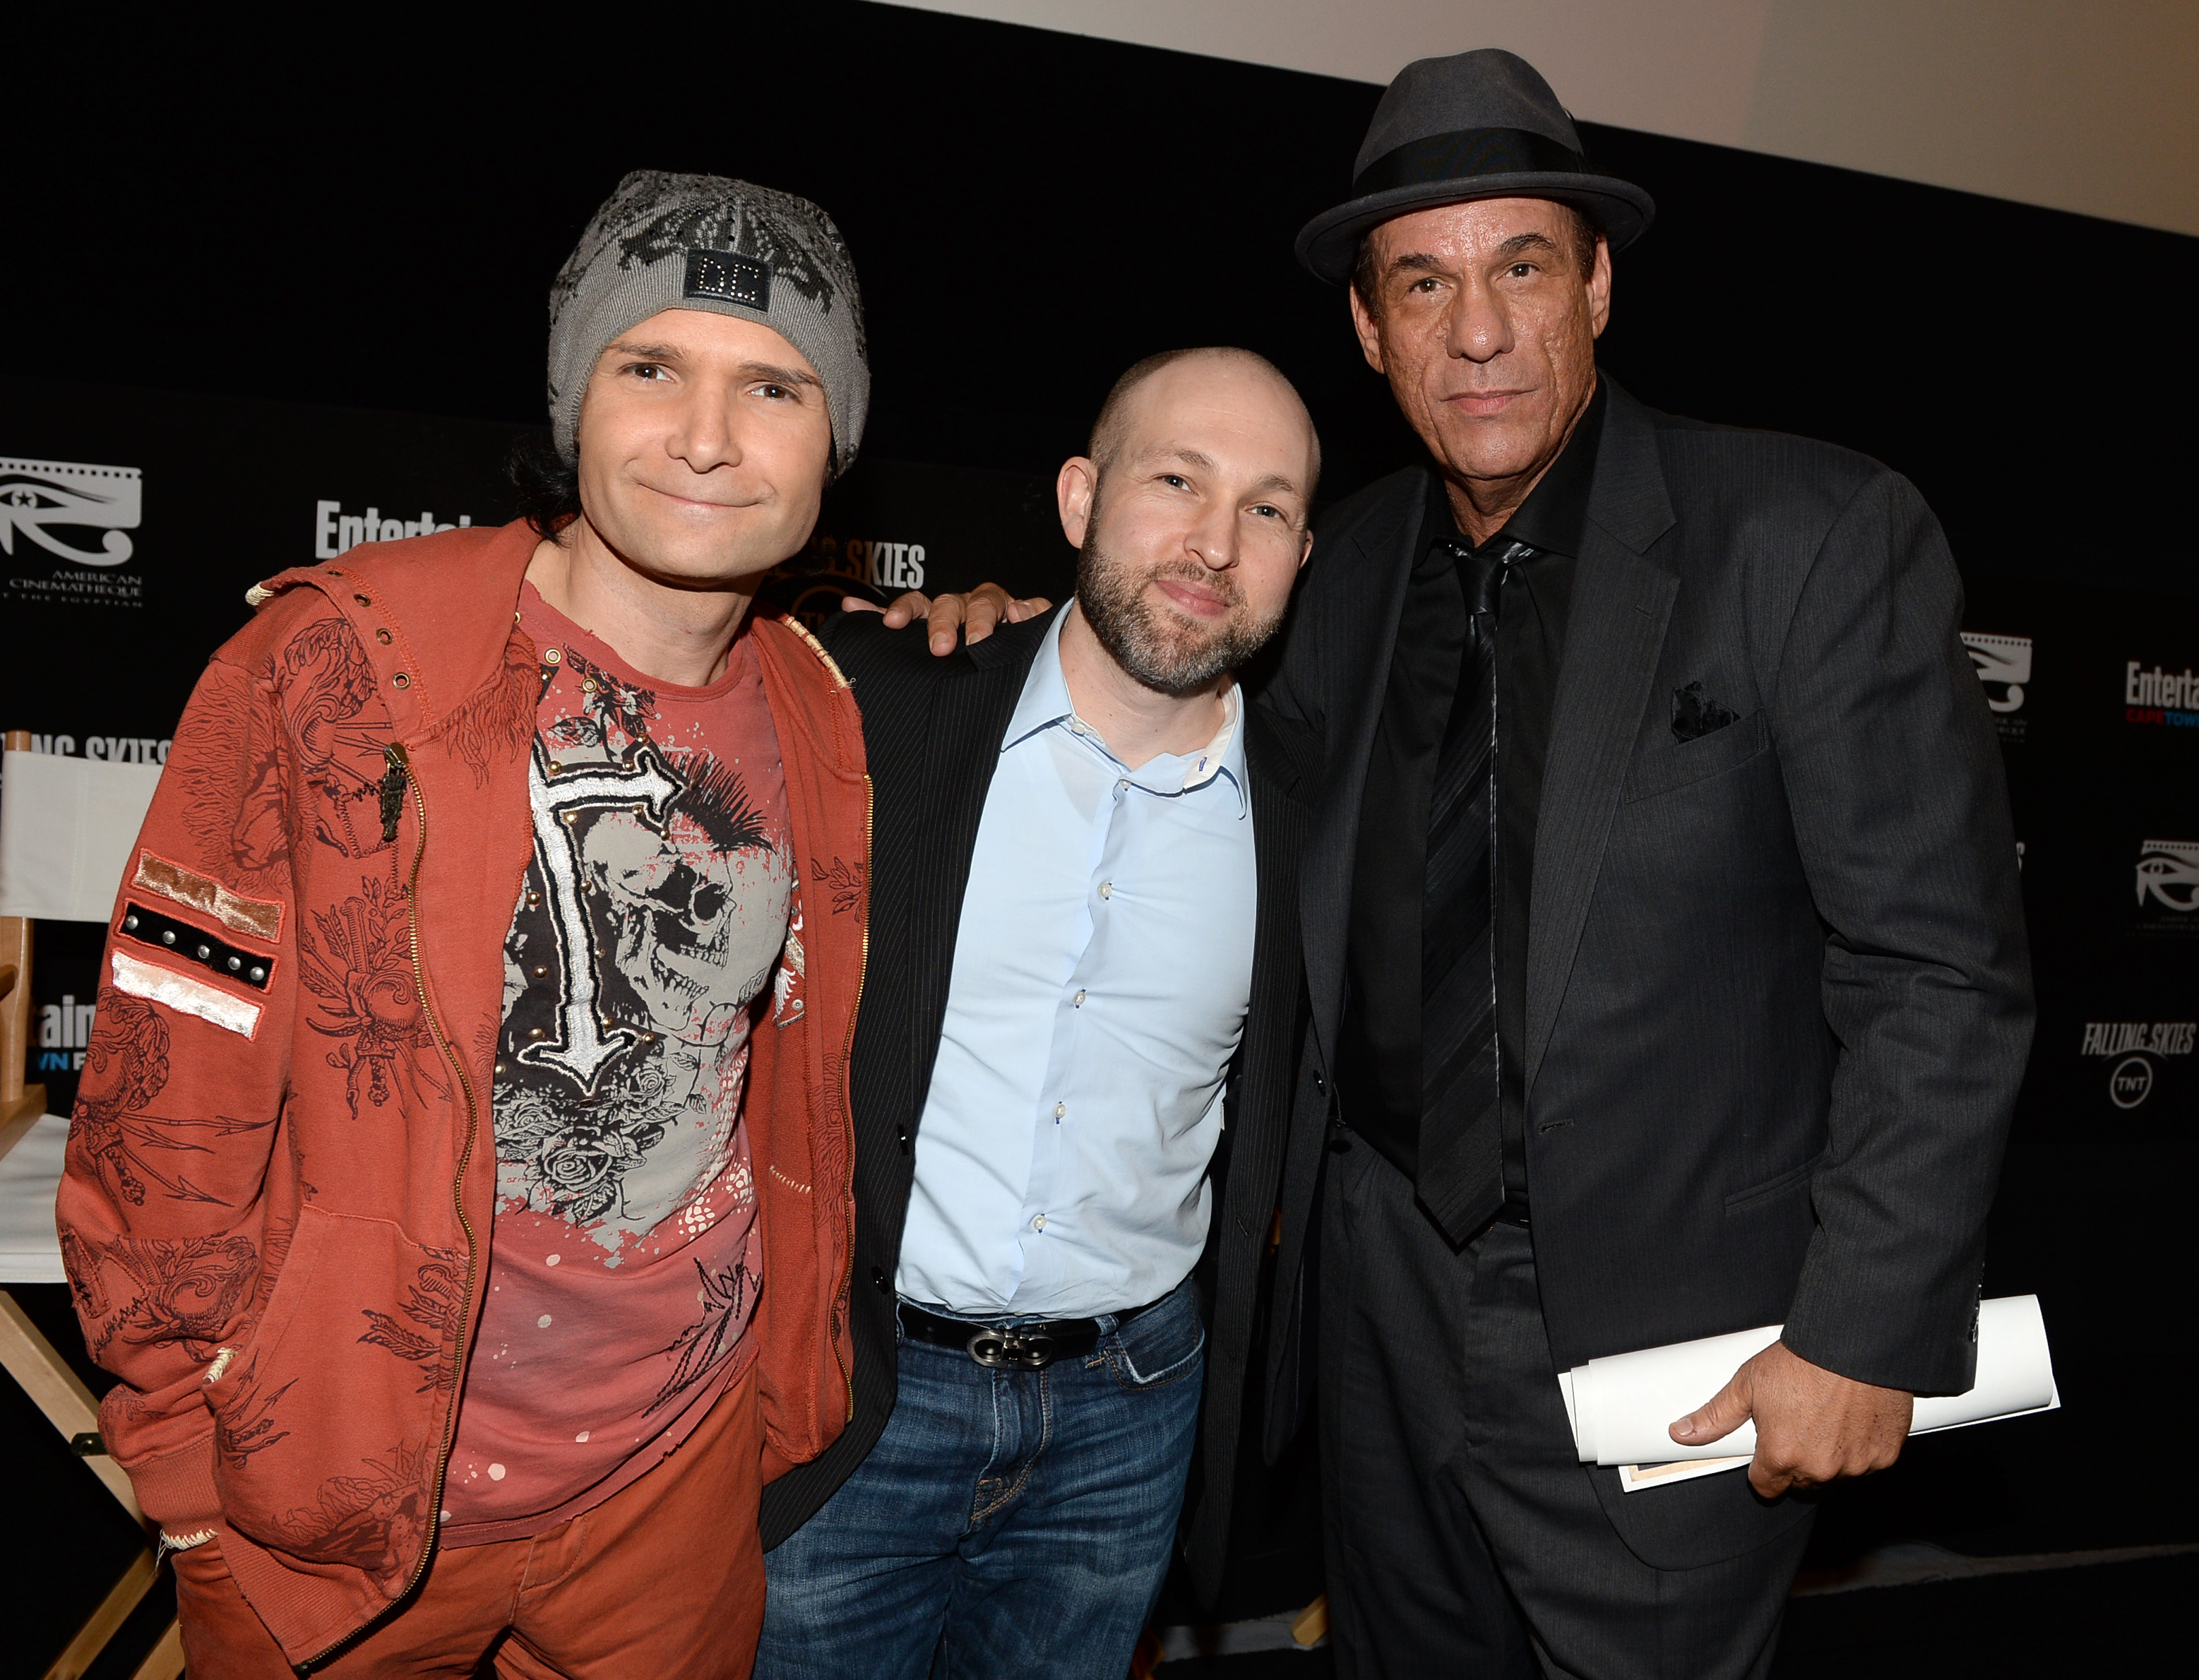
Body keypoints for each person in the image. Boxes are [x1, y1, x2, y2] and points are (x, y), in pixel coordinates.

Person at [910, 47, 2032, 1680]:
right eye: (1422, 284)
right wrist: (996, 638)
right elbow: (1156, 641)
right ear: (1368, 332)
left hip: (1680, 1326)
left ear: (1596, 283)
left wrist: (1867, 1324)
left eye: (1521, 266)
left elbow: (1938, 964)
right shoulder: (1334, 563)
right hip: (1374, 1316)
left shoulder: (1805, 535)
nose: (1480, 329)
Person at [56, 171, 879, 1679]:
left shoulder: (819, 707)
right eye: (653, 368)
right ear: (577, 398)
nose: (708, 435)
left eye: (774, 384)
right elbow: (161, 1098)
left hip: (672, 1503)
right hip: (342, 1510)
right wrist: (184, 1474)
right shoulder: (333, 666)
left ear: (838, 438)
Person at [755, 348, 1323, 1679]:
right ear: (1078, 499)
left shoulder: (1321, 807)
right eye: (1174, 479)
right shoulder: (873, 703)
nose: (1212, 542)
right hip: (857, 1395)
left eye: (1267, 507)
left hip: (1130, 1426)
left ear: (1304, 552)